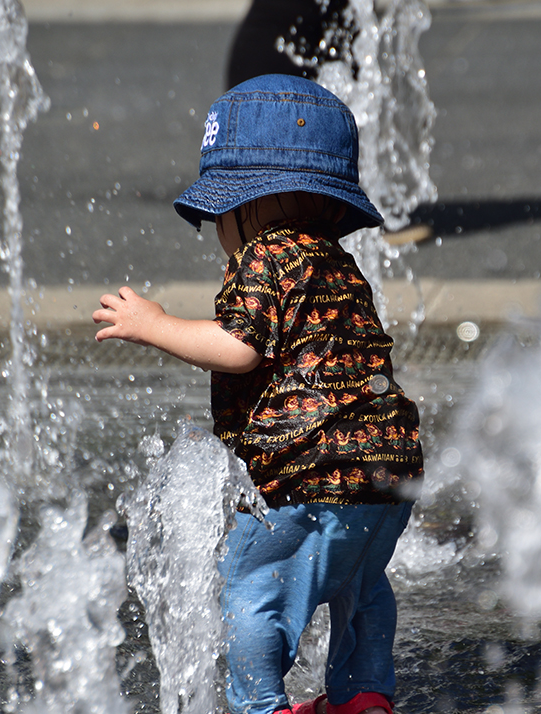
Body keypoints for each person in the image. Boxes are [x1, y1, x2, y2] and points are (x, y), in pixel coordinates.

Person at [92, 74, 424, 714]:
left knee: (251, 587)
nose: (220, 228)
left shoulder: (268, 254)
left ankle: (263, 706)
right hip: (388, 468)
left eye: (222, 210)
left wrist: (155, 325)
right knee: (361, 585)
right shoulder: (337, 262)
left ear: (253, 205)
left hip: (308, 470)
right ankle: (363, 698)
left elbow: (238, 346)